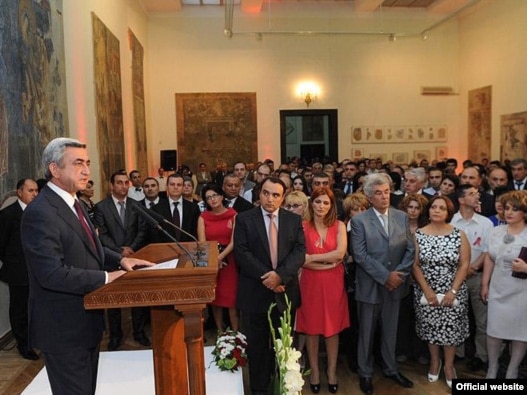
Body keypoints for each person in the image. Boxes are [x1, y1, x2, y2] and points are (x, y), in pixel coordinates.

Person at [20, 137, 152, 395]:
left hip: (85, 324)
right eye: (77, 163)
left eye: (87, 163)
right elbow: (51, 274)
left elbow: (88, 248)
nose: (86, 171)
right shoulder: (40, 213)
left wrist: (120, 260)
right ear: (54, 169)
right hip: (63, 329)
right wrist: (105, 277)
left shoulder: (73, 203)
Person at [234, 177, 305, 395]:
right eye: (266, 193)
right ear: (259, 193)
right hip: (255, 293)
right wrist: (268, 278)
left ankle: (282, 388)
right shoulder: (245, 219)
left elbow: (299, 252)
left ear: (283, 198)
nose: (270, 199)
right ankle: (259, 390)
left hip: (284, 293)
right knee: (257, 349)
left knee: (283, 349)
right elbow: (242, 253)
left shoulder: (293, 220)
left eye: (275, 195)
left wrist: (280, 277)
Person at [350, 173, 415, 395]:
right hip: (371, 285)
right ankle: (365, 373)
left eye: (386, 192)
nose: (384, 196)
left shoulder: (401, 217)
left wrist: (399, 275)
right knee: (366, 333)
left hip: (396, 285)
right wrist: (386, 276)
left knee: (391, 330)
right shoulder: (359, 221)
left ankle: (391, 369)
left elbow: (410, 249)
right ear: (369, 196)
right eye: (378, 193)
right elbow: (360, 255)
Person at [412, 195, 470, 388]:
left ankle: (449, 366)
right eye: (433, 207)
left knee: (450, 329)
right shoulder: (419, 234)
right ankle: (435, 362)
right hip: (426, 290)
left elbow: (464, 264)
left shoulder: (458, 234)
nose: (437, 210)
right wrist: (427, 290)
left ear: (448, 212)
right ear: (428, 210)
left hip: (453, 290)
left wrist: (453, 291)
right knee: (431, 327)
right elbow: (415, 265)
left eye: (442, 208)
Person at [295, 187, 349, 394]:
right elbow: (300, 259)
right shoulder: (301, 226)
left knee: (332, 329)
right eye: (318, 202)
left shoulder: (340, 225)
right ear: (311, 203)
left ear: (332, 205)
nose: (321, 206)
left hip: (334, 284)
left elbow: (340, 254)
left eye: (326, 203)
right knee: (311, 329)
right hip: (310, 283)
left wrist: (312, 259)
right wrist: (326, 262)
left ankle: (332, 371)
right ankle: (315, 371)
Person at [93, 170, 150, 351]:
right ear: (112, 185)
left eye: (126, 183)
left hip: (136, 255)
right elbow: (101, 233)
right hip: (112, 258)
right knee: (114, 299)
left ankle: (139, 332)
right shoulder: (101, 207)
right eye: (119, 182)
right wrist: (120, 251)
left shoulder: (137, 205)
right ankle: (115, 336)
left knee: (138, 297)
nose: (124, 186)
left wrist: (131, 249)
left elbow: (142, 230)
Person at [481, 190, 527, 379]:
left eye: (514, 209)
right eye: (507, 208)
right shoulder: (496, 231)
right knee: (494, 330)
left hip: (522, 290)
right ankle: (492, 367)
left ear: (524, 212)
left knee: (520, 331)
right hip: (498, 287)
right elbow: (489, 258)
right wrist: (485, 284)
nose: (508, 212)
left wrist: (526, 267)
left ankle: (512, 370)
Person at [451, 184, 494, 372]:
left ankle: (482, 356)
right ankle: (457, 353)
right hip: (453, 277)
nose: (477, 196)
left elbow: (487, 250)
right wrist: (462, 269)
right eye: (472, 194)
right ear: (461, 199)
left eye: (478, 193)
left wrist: (472, 267)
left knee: (482, 320)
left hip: (477, 275)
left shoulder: (486, 223)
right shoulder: (450, 222)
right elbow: (448, 249)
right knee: (455, 317)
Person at [0, 179, 39, 360]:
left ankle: (36, 338)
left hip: (38, 271)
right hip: (18, 272)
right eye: (30, 190)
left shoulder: (39, 213)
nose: (35, 194)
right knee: (20, 309)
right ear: (19, 192)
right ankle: (23, 344)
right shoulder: (8, 214)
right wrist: (14, 263)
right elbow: (2, 245)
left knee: (36, 307)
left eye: (36, 191)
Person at [198, 183, 238, 331]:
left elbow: (234, 242)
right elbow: (202, 244)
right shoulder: (203, 218)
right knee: (215, 299)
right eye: (208, 198)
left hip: (230, 262)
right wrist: (213, 260)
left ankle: (236, 335)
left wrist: (220, 257)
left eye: (215, 195)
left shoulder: (233, 215)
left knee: (231, 299)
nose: (212, 200)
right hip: (212, 262)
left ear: (221, 196)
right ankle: (220, 333)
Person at [150, 173, 200, 242]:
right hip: (165, 249)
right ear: (167, 186)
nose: (175, 187)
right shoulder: (156, 209)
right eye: (172, 184)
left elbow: (195, 233)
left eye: (179, 185)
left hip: (188, 249)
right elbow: (155, 235)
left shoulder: (193, 208)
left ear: (182, 187)